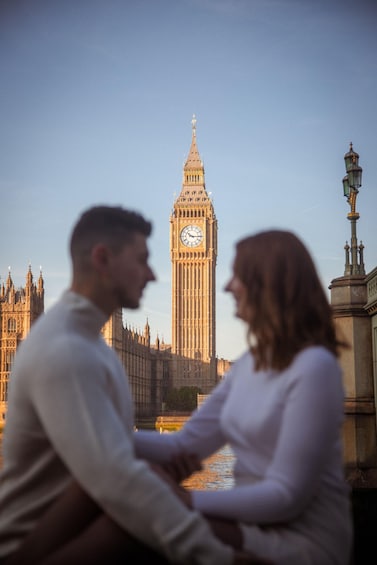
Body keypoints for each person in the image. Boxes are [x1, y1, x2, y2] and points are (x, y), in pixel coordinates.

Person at [0, 205, 256, 565]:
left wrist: (166, 455)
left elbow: (109, 446)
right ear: (103, 259)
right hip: (36, 548)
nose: (152, 274)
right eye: (142, 259)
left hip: (75, 528)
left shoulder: (88, 342)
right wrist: (221, 558)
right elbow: (118, 481)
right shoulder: (66, 349)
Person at [134, 229, 353, 565]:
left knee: (134, 521)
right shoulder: (249, 364)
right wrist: (95, 437)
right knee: (121, 509)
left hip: (301, 540)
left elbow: (286, 496)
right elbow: (184, 445)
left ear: (267, 284)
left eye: (237, 276)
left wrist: (184, 500)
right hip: (251, 523)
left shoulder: (314, 367)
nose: (227, 286)